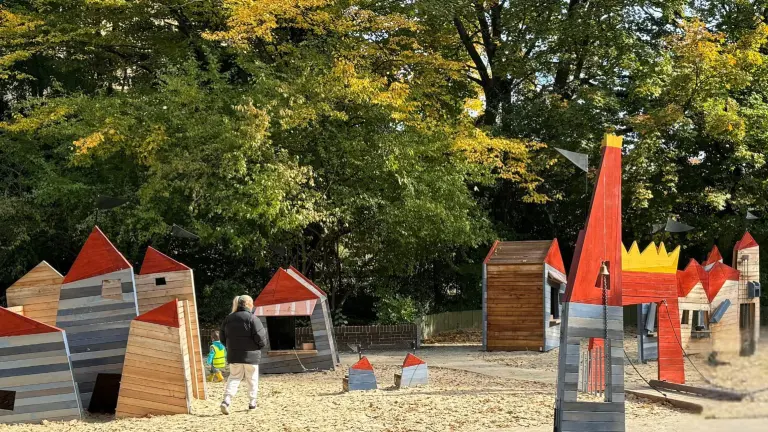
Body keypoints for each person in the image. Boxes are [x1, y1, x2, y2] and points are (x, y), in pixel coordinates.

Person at [219, 295, 267, 414]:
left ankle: (226, 400)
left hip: (234, 355)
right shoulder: (253, 318)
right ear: (247, 304)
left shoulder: (228, 319)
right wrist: (259, 347)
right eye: (251, 303)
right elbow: (261, 338)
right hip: (251, 356)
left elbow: (222, 337)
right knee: (252, 379)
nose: (253, 305)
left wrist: (230, 347)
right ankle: (252, 402)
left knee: (234, 377)